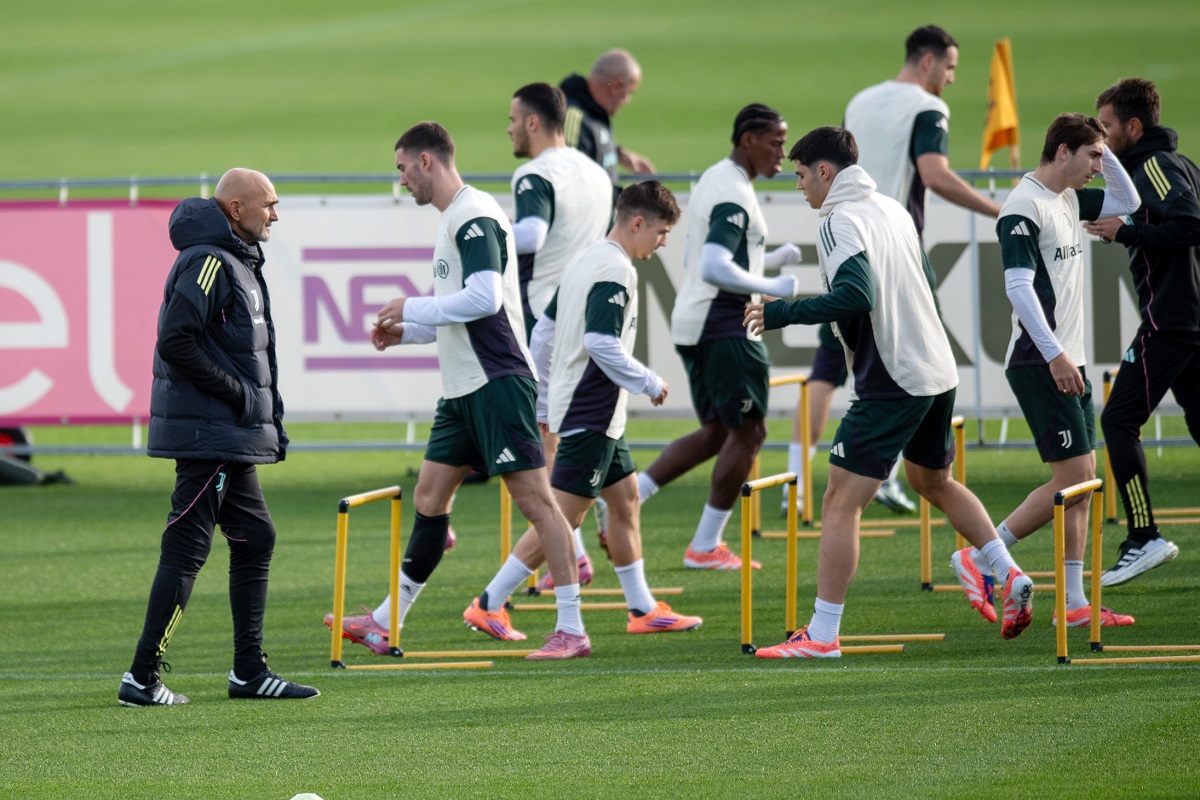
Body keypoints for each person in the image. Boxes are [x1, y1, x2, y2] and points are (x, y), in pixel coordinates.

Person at [744, 127, 1035, 657]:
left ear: (826, 173)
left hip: (892, 377)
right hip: (936, 370)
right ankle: (1006, 570)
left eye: (802, 175)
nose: (799, 186)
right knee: (934, 481)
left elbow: (856, 294)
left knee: (838, 501)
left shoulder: (837, 219)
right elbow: (925, 283)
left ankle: (823, 635)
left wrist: (782, 313)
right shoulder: (894, 209)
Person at [335, 122, 589, 661]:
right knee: (429, 500)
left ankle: (571, 628)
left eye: (402, 168)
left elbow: (484, 299)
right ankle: (385, 622)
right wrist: (405, 332)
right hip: (462, 391)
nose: (401, 180)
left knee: (539, 505)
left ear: (427, 161)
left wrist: (411, 306)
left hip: (497, 383)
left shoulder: (474, 215)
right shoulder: (454, 219)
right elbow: (455, 315)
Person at [118, 169, 319, 705]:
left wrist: (257, 414)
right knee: (186, 550)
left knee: (257, 539)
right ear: (235, 208)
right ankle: (141, 677)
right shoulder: (208, 261)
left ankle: (249, 674)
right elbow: (174, 341)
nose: (275, 214)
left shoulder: (235, 259)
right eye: (268, 204)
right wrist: (238, 395)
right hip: (210, 436)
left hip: (226, 435)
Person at [474, 181, 702, 635]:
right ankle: (489, 601)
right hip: (590, 410)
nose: (663, 243)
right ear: (637, 223)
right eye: (661, 233)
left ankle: (641, 608)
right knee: (562, 518)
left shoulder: (585, 258)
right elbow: (600, 342)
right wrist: (648, 380)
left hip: (592, 411)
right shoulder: (615, 270)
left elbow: (544, 333)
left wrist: (541, 400)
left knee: (627, 498)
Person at [953, 114, 1140, 629]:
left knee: (1082, 485)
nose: (1099, 168)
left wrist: (1105, 150)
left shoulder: (1070, 198)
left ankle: (1075, 602)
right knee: (1075, 479)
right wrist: (1056, 354)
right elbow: (1017, 287)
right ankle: (981, 555)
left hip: (1068, 357)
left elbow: (1130, 203)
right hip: (1042, 360)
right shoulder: (1023, 207)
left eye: (1102, 158)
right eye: (1092, 157)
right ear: (1062, 152)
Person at [807, 24, 1002, 515]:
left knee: (835, 363)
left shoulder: (861, 100)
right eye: (951, 68)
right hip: (896, 244)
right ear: (928, 61)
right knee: (918, 358)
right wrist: (998, 210)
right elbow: (934, 175)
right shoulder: (929, 107)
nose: (951, 80)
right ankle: (888, 473)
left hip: (846, 240)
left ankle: (810, 478)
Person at [636, 104, 802, 570]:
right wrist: (771, 288)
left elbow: (699, 259)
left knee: (717, 433)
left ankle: (630, 495)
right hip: (723, 321)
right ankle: (705, 546)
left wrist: (767, 261)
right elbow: (711, 265)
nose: (783, 153)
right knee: (750, 433)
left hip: (698, 319)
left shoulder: (716, 178)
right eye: (776, 142)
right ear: (748, 139)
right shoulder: (732, 190)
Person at [1087, 78, 1199, 586]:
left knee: (1118, 420)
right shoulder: (1169, 165)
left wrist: (1128, 232)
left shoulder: (1153, 167)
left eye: (1107, 128)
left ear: (1135, 126)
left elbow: (1192, 225)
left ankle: (1143, 535)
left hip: (1172, 320)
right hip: (1185, 319)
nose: (1103, 138)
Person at [508, 81, 615, 585]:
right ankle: (586, 545)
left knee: (547, 443)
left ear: (533, 122)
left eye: (512, 119)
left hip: (546, 318)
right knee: (579, 437)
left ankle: (566, 554)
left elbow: (532, 234)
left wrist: (484, 228)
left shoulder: (534, 174)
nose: (508, 128)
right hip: (591, 312)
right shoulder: (595, 172)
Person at [560, 49, 655, 196]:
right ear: (616, 86)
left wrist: (616, 154)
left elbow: (588, 153)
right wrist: (629, 198)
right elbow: (570, 180)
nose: (628, 101)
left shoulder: (594, 112)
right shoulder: (574, 117)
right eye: (629, 92)